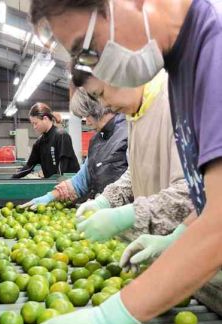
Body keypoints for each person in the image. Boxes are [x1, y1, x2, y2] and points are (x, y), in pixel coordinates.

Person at [26, 0, 222, 324]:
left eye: (88, 47)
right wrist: (178, 235)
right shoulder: (183, 66)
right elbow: (209, 195)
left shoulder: (215, 53)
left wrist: (106, 320)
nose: (94, 66)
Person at [73, 68, 193, 242]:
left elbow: (193, 190)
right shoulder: (134, 114)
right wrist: (107, 200)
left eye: (101, 94)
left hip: (190, 244)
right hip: (155, 242)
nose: (103, 105)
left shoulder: (175, 103)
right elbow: (137, 171)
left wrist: (131, 214)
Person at [21, 89, 128, 209]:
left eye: (87, 115)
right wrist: (50, 196)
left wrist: (103, 202)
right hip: (103, 216)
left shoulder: (128, 133)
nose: (86, 122)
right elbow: (82, 179)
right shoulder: (97, 140)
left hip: (127, 217)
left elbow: (133, 181)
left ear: (97, 110)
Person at [12, 102, 79, 179]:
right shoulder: (39, 143)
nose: (34, 127)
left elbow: (63, 166)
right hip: (53, 184)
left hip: (69, 184)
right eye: (32, 124)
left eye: (36, 123)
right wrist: (12, 178)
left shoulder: (61, 136)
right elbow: (29, 166)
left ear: (45, 119)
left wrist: (56, 183)